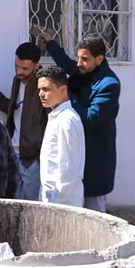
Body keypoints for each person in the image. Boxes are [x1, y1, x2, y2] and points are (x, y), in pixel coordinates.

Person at [39, 31, 121, 212]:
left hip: (94, 161)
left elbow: (90, 117)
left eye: (84, 59)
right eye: (79, 57)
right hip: (74, 159)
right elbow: (66, 63)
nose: (79, 63)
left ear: (99, 59)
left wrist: (67, 97)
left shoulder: (109, 84)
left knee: (93, 218)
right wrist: (51, 44)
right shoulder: (83, 70)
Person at [0, 42, 48, 201]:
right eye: (17, 66)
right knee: (15, 202)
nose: (19, 71)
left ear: (37, 65)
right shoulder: (17, 81)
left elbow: (52, 121)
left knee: (32, 207)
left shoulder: (44, 86)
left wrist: (40, 156)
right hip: (14, 152)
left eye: (24, 68)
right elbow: (11, 108)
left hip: (33, 158)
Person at [36, 66, 86, 207]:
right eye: (39, 89)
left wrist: (57, 203)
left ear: (63, 90)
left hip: (62, 203)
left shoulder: (66, 120)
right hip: (52, 198)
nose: (41, 94)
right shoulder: (57, 117)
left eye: (46, 89)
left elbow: (68, 167)